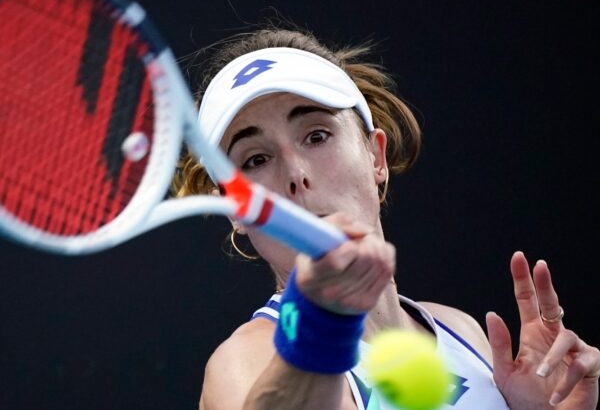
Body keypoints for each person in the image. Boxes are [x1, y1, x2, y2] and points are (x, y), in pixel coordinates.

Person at [173, 26, 600, 410]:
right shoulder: (244, 363)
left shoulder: (461, 331)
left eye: (317, 135)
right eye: (256, 159)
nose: (296, 173)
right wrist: (320, 322)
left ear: (376, 156)